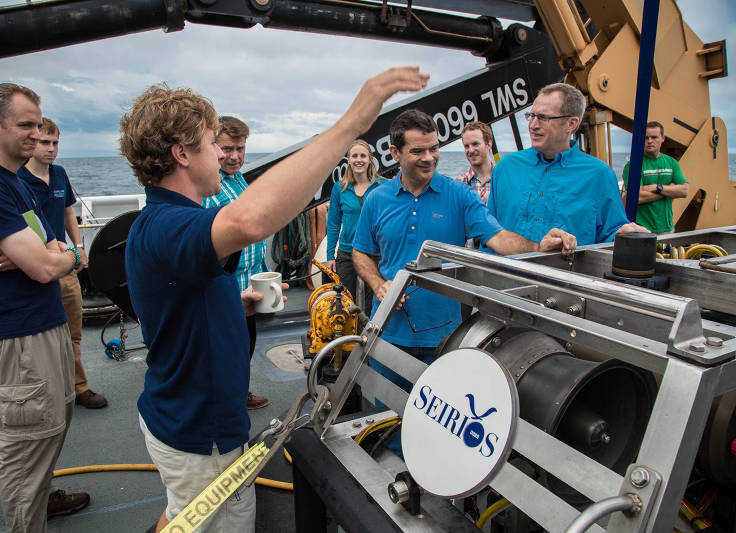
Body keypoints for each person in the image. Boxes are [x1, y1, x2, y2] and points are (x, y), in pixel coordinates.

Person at [120, 67, 430, 533]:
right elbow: (249, 222)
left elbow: (183, 300)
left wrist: (234, 303)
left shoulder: (160, 222)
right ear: (181, 154)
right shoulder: (171, 228)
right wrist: (350, 123)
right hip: (198, 430)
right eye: (209, 144)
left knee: (183, 508)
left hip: (184, 417)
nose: (220, 155)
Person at [0, 83, 90, 532]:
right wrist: (59, 258)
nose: (35, 133)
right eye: (26, 125)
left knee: (53, 422)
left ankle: (45, 501)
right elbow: (48, 267)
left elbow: (52, 251)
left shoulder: (14, 182)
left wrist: (56, 255)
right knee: (27, 443)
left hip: (45, 325)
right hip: (20, 335)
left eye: (38, 124)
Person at [352, 109, 575, 394]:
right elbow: (360, 252)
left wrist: (538, 246)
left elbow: (499, 237)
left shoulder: (459, 195)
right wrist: (378, 284)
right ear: (395, 153)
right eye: (418, 151)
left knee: (442, 420)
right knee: (388, 423)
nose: (429, 158)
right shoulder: (376, 198)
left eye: (434, 148)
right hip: (387, 331)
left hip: (446, 337)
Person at [18, 117, 108, 409]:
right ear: (32, 142)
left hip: (64, 264)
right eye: (45, 142)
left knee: (72, 331)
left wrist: (79, 247)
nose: (51, 149)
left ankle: (78, 387)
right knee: (38, 337)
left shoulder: (58, 175)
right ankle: (46, 392)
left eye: (55, 143)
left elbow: (69, 212)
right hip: (33, 269)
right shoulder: (17, 180)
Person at [488, 83, 645, 246]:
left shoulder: (599, 175)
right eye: (531, 116)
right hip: (505, 271)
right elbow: (489, 231)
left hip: (566, 271)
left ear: (571, 123)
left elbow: (609, 235)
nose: (533, 125)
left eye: (543, 118)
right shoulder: (505, 168)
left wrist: (623, 235)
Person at [202, 116, 268, 410]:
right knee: (225, 351)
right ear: (213, 147)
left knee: (244, 347)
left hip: (249, 283)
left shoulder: (238, 179)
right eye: (228, 149)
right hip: (228, 288)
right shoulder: (210, 188)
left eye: (240, 149)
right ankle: (225, 402)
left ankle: (239, 393)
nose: (235, 156)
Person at [325, 139, 385, 306]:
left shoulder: (382, 187)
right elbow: (333, 224)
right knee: (344, 302)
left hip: (374, 253)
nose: (359, 159)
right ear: (349, 160)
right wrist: (330, 256)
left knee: (373, 302)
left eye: (363, 156)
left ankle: (369, 332)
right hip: (346, 252)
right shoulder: (339, 188)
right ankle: (349, 332)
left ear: (369, 159)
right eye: (355, 156)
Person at [621, 121, 689, 233]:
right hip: (642, 229)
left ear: (663, 138)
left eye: (654, 137)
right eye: (646, 138)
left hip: (667, 229)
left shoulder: (671, 163)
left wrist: (658, 187)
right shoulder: (633, 166)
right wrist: (669, 190)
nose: (650, 141)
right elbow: (636, 198)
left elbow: (684, 191)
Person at [457, 121, 494, 204]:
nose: (471, 150)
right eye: (466, 146)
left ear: (489, 144)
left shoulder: (502, 178)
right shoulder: (458, 184)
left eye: (475, 144)